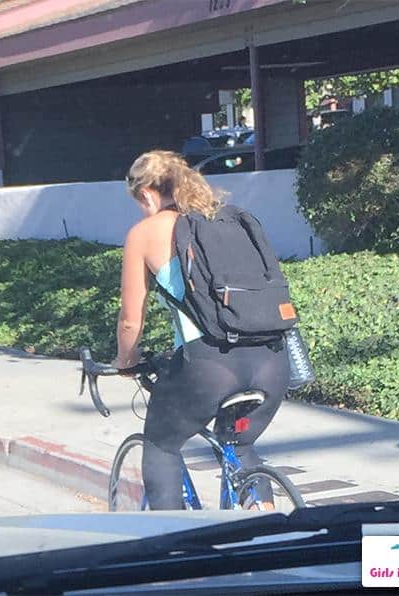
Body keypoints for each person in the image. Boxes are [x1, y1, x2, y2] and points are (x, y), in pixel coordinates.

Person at [114, 150, 290, 510]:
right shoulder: (228, 220)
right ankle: (266, 524)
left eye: (139, 203)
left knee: (161, 446)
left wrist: (126, 361)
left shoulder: (145, 233)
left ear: (146, 194)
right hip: (272, 360)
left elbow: (131, 320)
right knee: (241, 446)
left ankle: (173, 539)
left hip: (210, 366)